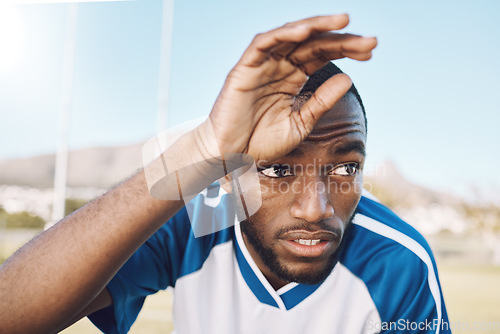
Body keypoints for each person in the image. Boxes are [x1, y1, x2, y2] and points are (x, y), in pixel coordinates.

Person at [0, 14, 450, 334]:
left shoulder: (399, 263)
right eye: (277, 168)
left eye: (346, 168)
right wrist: (201, 150)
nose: (317, 209)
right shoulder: (196, 221)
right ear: (228, 176)